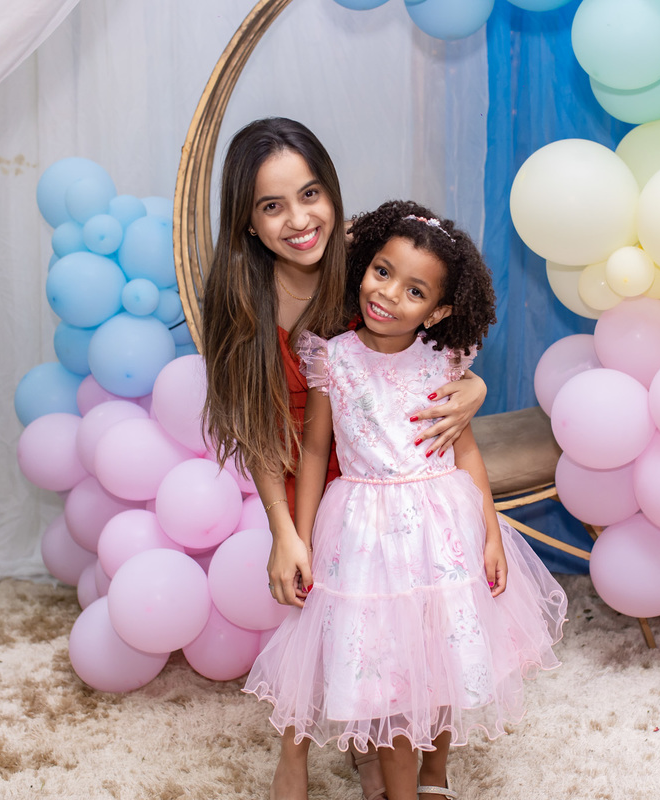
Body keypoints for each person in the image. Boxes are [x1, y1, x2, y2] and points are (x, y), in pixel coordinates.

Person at [200, 119, 488, 800]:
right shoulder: (239, 297)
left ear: (331, 191)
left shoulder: (366, 261)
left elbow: (432, 337)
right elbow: (258, 431)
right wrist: (284, 531)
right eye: (272, 206)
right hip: (301, 467)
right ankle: (294, 753)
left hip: (385, 463)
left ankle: (377, 745)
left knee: (394, 626)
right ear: (247, 222)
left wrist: (473, 387)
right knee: (314, 611)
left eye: (310, 194)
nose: (300, 221)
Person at [244, 200, 567, 800]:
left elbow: (466, 453)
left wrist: (491, 533)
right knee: (389, 678)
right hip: (365, 535)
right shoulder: (332, 358)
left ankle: (435, 779)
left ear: (437, 311)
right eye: (382, 272)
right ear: (364, 267)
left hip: (441, 535)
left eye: (414, 291)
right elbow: (314, 452)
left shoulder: (444, 363)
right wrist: (303, 536)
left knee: (441, 661)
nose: (389, 294)